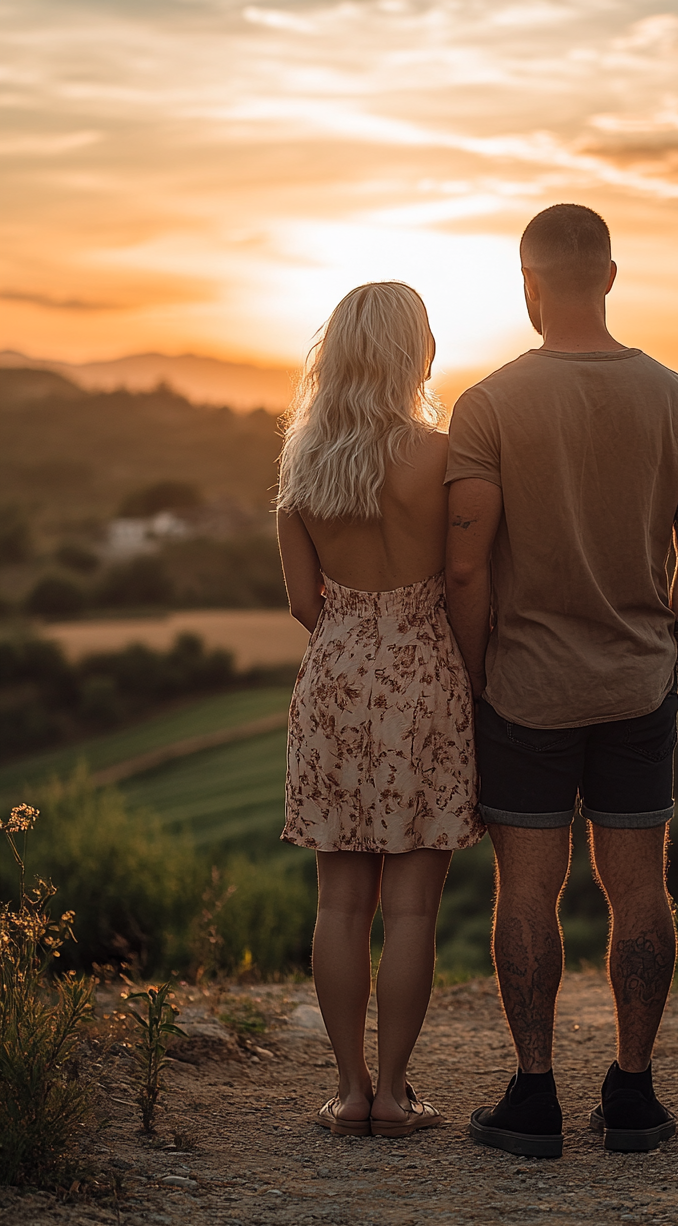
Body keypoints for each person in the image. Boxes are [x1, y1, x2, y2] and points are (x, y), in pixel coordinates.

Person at [444, 204, 678, 1158]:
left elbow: (468, 569)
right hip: (639, 683)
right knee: (639, 891)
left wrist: (477, 677)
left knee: (526, 894)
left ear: (527, 287)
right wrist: (671, 652)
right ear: (610, 277)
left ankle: (534, 1100)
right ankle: (636, 1098)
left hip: (524, 688)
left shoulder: (486, 407)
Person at [277, 281, 485, 1139]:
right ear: (413, 353)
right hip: (426, 675)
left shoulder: (301, 463)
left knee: (338, 905)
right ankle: (397, 1097)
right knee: (411, 909)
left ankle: (348, 1090)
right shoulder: (442, 457)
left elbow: (300, 601)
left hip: (333, 675)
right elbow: (469, 576)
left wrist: (352, 634)